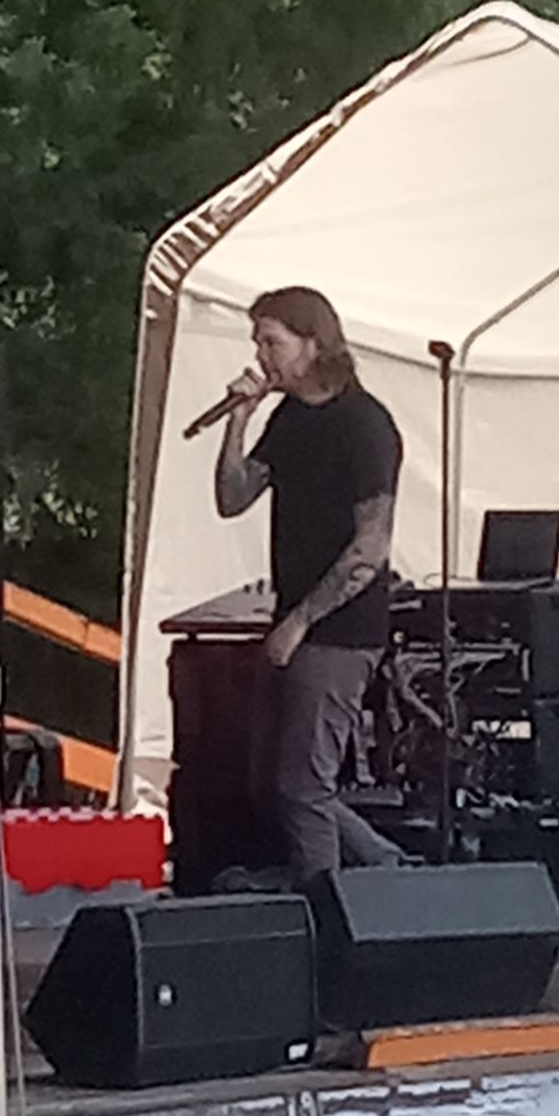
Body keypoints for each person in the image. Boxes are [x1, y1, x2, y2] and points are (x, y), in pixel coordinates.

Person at [214, 285, 403, 883]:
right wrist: (238, 421)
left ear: (313, 344)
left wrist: (300, 621)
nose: (261, 355)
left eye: (272, 342)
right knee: (274, 781)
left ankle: (322, 906)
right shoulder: (290, 418)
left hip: (341, 631)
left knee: (302, 785)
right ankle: (386, 865)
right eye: (258, 342)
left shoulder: (364, 424)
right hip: (295, 620)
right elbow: (232, 498)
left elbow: (369, 548)